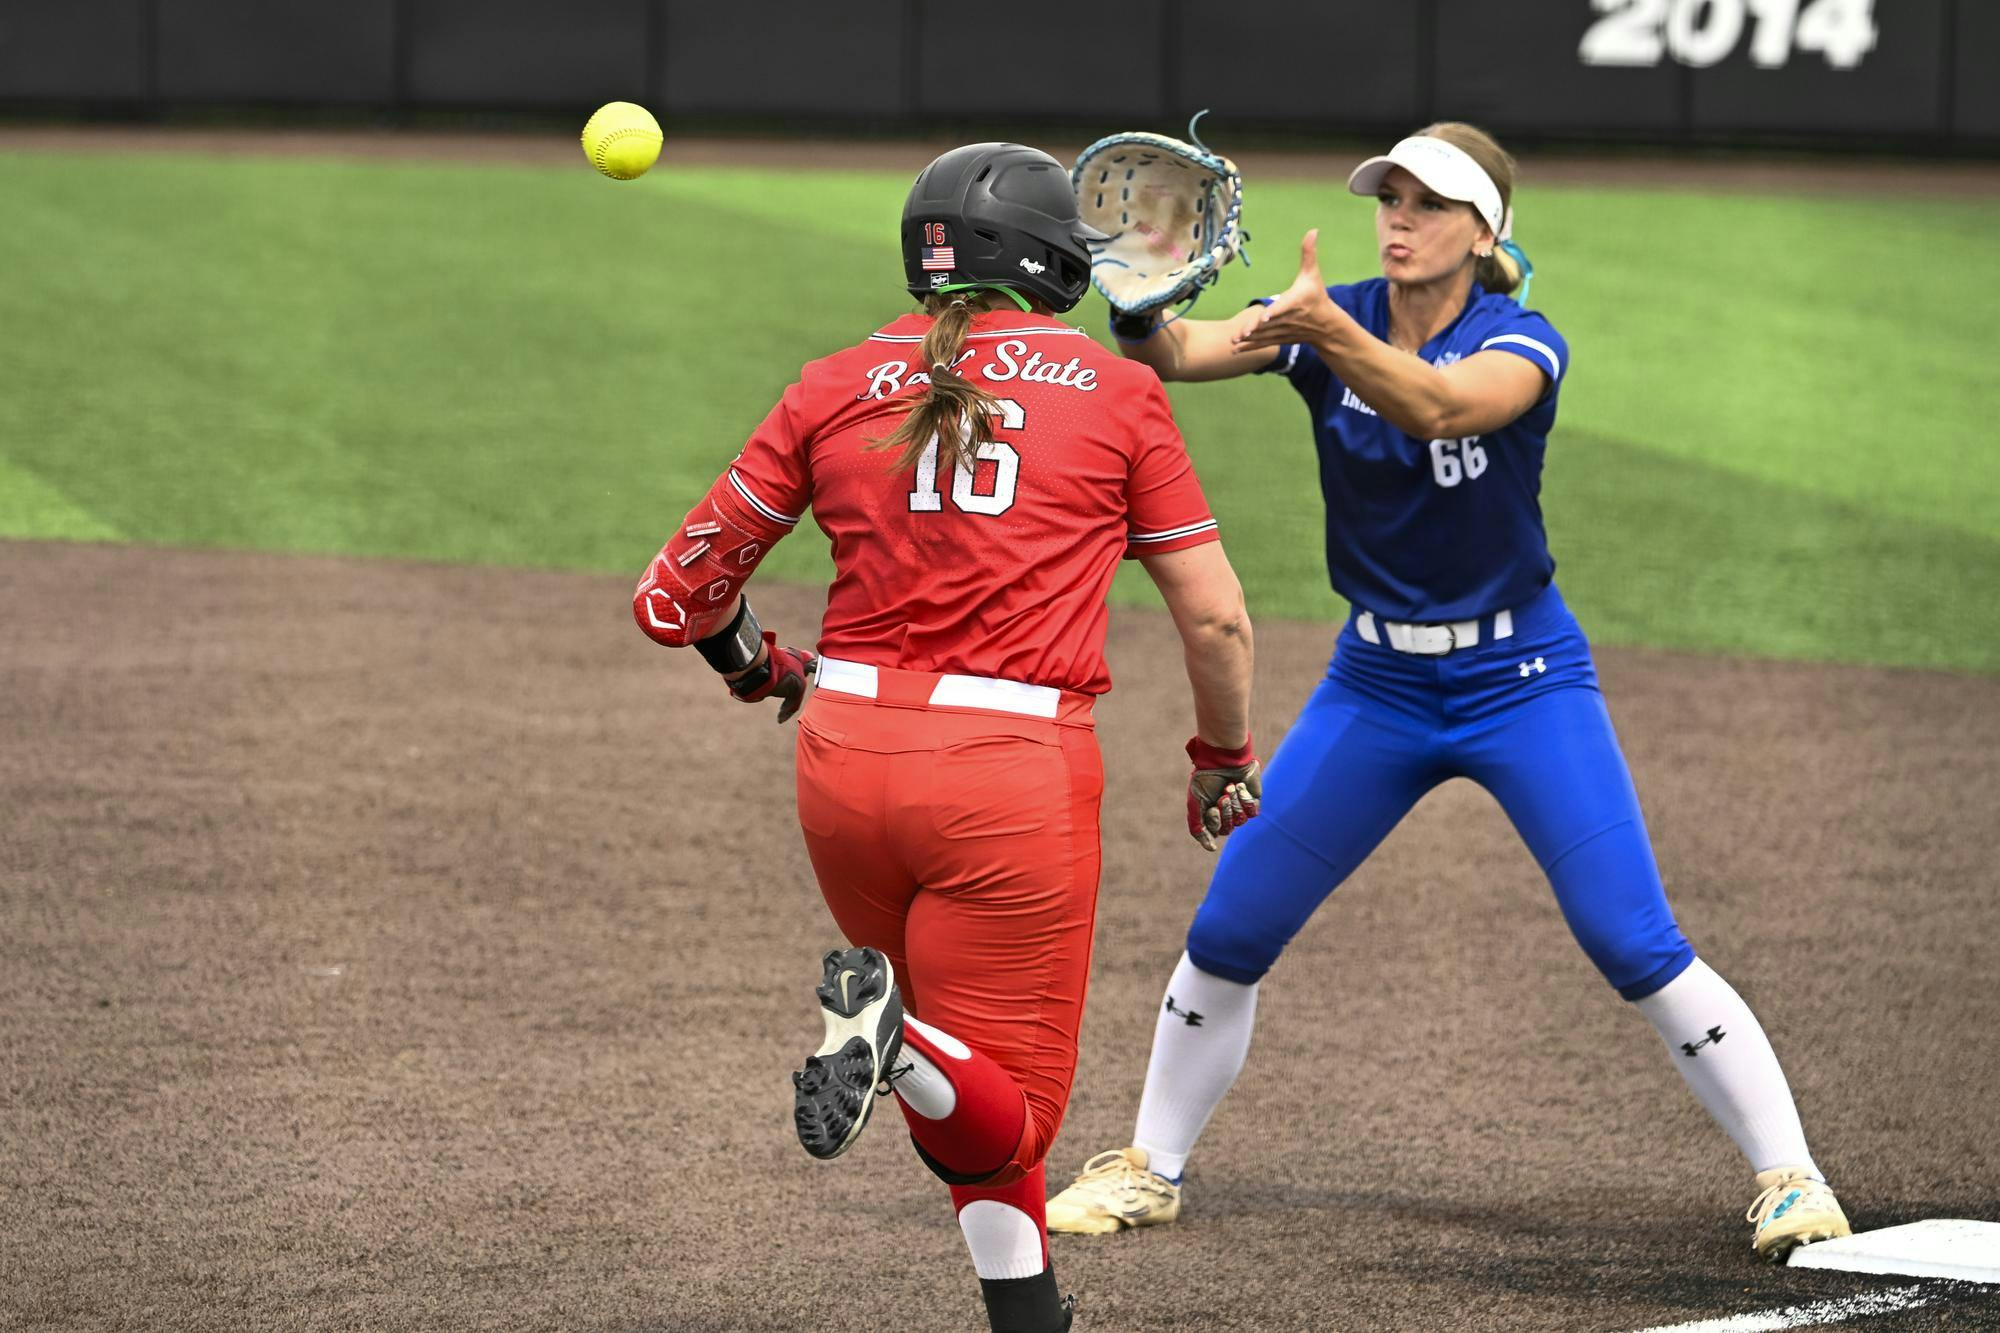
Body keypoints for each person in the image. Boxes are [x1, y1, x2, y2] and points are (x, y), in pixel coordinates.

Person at [1044, 123, 1850, 1263]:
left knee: (1630, 937)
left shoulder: (1520, 339)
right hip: (1374, 681)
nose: (1398, 218)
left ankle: (1789, 1175)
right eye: (1389, 197)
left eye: (1429, 203)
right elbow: (1169, 357)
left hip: (1521, 676)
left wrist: (1321, 329)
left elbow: (1441, 408)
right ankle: (1150, 1167)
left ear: (1484, 231)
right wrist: (1135, 298)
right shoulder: (1327, 314)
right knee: (1229, 927)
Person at [631, 142, 1263, 1333]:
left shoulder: (829, 382)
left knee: (959, 1092)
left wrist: (756, 667)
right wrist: (1219, 758)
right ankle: (892, 1042)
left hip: (843, 763)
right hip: (1003, 780)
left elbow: (676, 597)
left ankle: (1024, 1314)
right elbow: (1218, 618)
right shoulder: (1118, 393)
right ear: (1050, 261)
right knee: (1010, 1107)